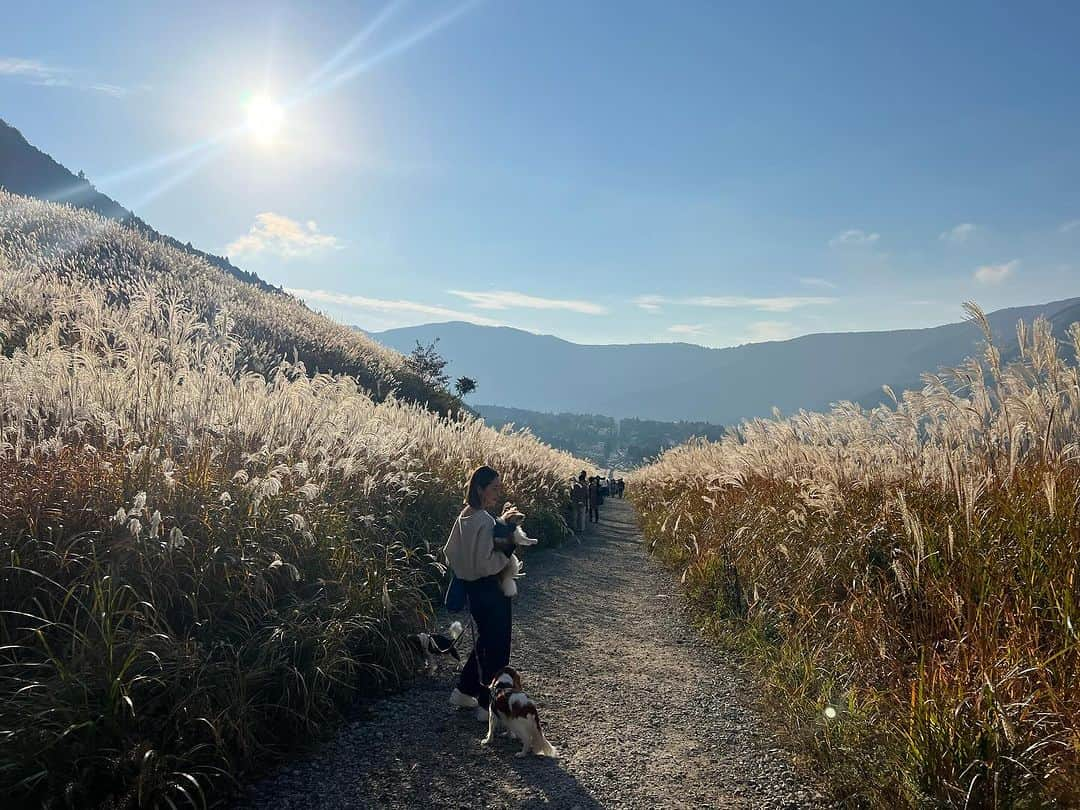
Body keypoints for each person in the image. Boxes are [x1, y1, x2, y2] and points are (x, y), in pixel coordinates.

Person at [443, 465, 525, 721]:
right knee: (498, 647)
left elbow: (450, 553)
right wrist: (507, 549)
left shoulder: (464, 517)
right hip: (491, 589)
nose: (498, 493)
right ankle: (487, 706)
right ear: (480, 489)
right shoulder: (484, 521)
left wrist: (466, 573)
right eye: (494, 488)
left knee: (485, 642)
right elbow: (487, 563)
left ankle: (465, 690)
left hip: (472, 591)